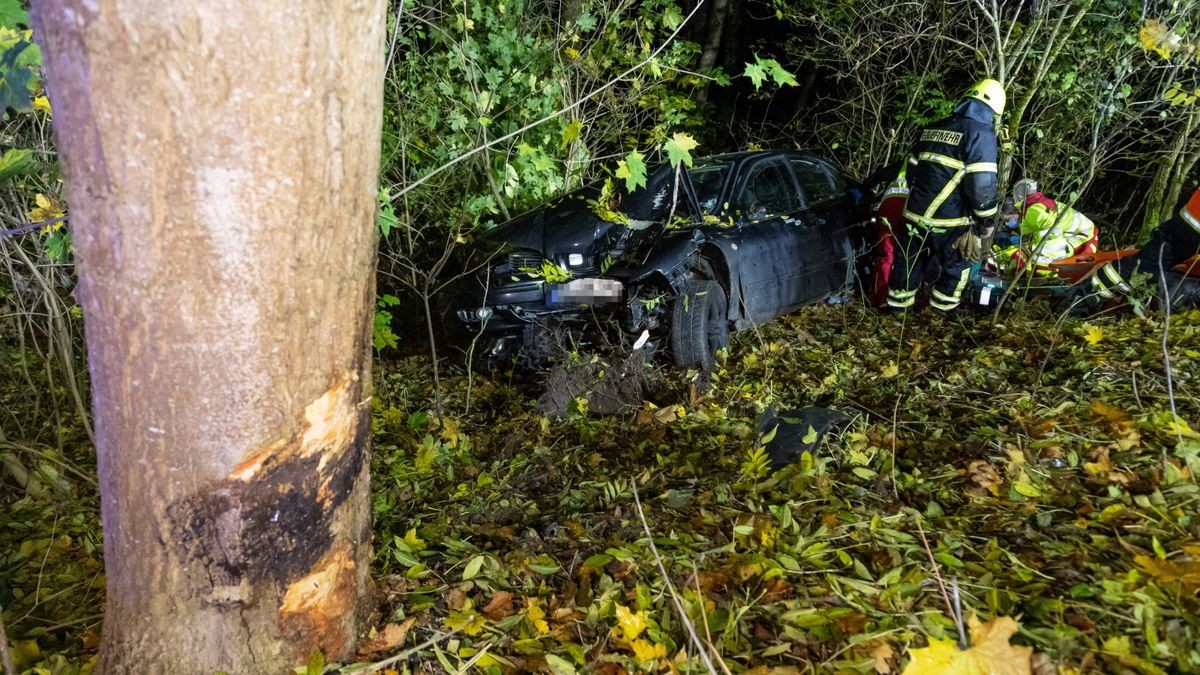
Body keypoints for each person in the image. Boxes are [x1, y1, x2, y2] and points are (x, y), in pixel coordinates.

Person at [886, 78, 1003, 312]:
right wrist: (986, 221)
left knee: (907, 263)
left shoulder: (933, 127)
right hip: (950, 221)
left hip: (914, 213)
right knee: (957, 266)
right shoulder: (980, 135)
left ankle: (897, 312)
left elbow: (910, 170)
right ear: (993, 111)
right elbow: (982, 187)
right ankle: (942, 313)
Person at [1086, 185, 1200, 307]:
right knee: (1148, 263)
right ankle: (1181, 290)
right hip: (1192, 218)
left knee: (1147, 263)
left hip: (1191, 214)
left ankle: (1082, 296)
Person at [1003, 178, 1098, 273]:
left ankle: (1041, 277)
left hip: (1084, 239)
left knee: (1038, 259)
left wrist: (1032, 254)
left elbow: (1050, 236)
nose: (1007, 223)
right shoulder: (1033, 207)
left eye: (1008, 219)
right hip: (1081, 233)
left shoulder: (1034, 211)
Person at [863, 161, 909, 307]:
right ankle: (901, 300)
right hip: (913, 209)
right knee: (909, 255)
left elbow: (875, 179)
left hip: (889, 207)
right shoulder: (934, 164)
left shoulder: (902, 164)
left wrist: (862, 190)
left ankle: (880, 298)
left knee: (886, 254)